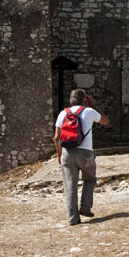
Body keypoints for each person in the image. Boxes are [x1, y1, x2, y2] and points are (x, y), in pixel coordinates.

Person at [53, 89, 109, 226]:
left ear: (70, 101)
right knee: (90, 179)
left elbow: (56, 138)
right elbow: (105, 121)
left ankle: (73, 218)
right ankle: (85, 207)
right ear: (84, 100)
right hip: (85, 153)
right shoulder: (89, 112)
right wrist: (93, 105)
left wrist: (59, 155)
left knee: (70, 186)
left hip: (67, 153)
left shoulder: (63, 113)